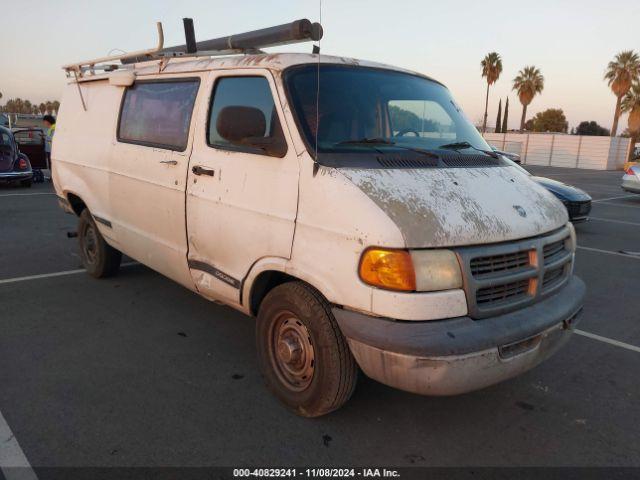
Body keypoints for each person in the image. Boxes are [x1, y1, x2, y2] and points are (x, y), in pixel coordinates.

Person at [43, 114, 56, 180]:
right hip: (49, 150)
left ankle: (53, 178)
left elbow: (53, 138)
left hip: (52, 150)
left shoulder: (54, 128)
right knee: (51, 164)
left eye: (44, 121)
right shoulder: (50, 128)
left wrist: (45, 137)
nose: (44, 123)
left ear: (48, 121)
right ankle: (52, 176)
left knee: (53, 165)